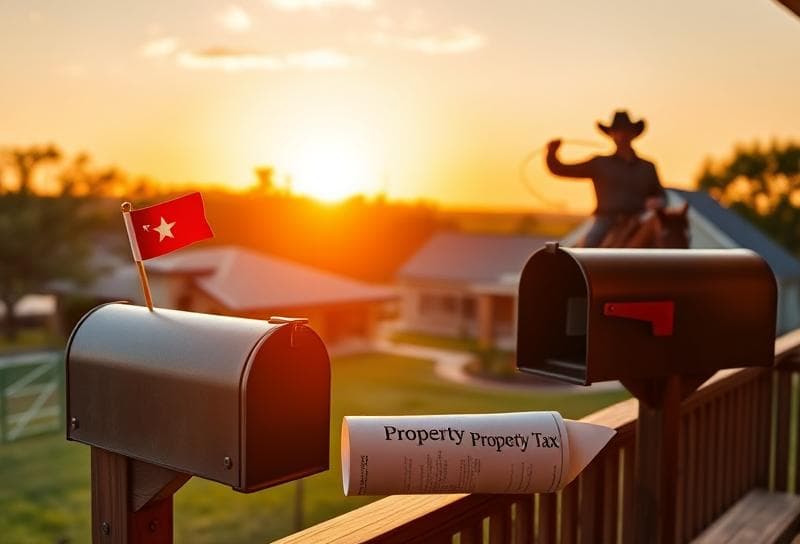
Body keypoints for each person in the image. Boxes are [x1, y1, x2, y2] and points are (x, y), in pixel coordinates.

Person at [546, 110, 666, 247]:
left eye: (626, 131)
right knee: (589, 246)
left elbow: (660, 194)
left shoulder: (647, 167)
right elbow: (560, 169)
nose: (622, 136)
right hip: (606, 220)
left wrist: (659, 201)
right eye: (617, 131)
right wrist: (552, 153)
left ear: (633, 134)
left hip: (639, 220)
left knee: (666, 241)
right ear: (611, 135)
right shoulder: (599, 163)